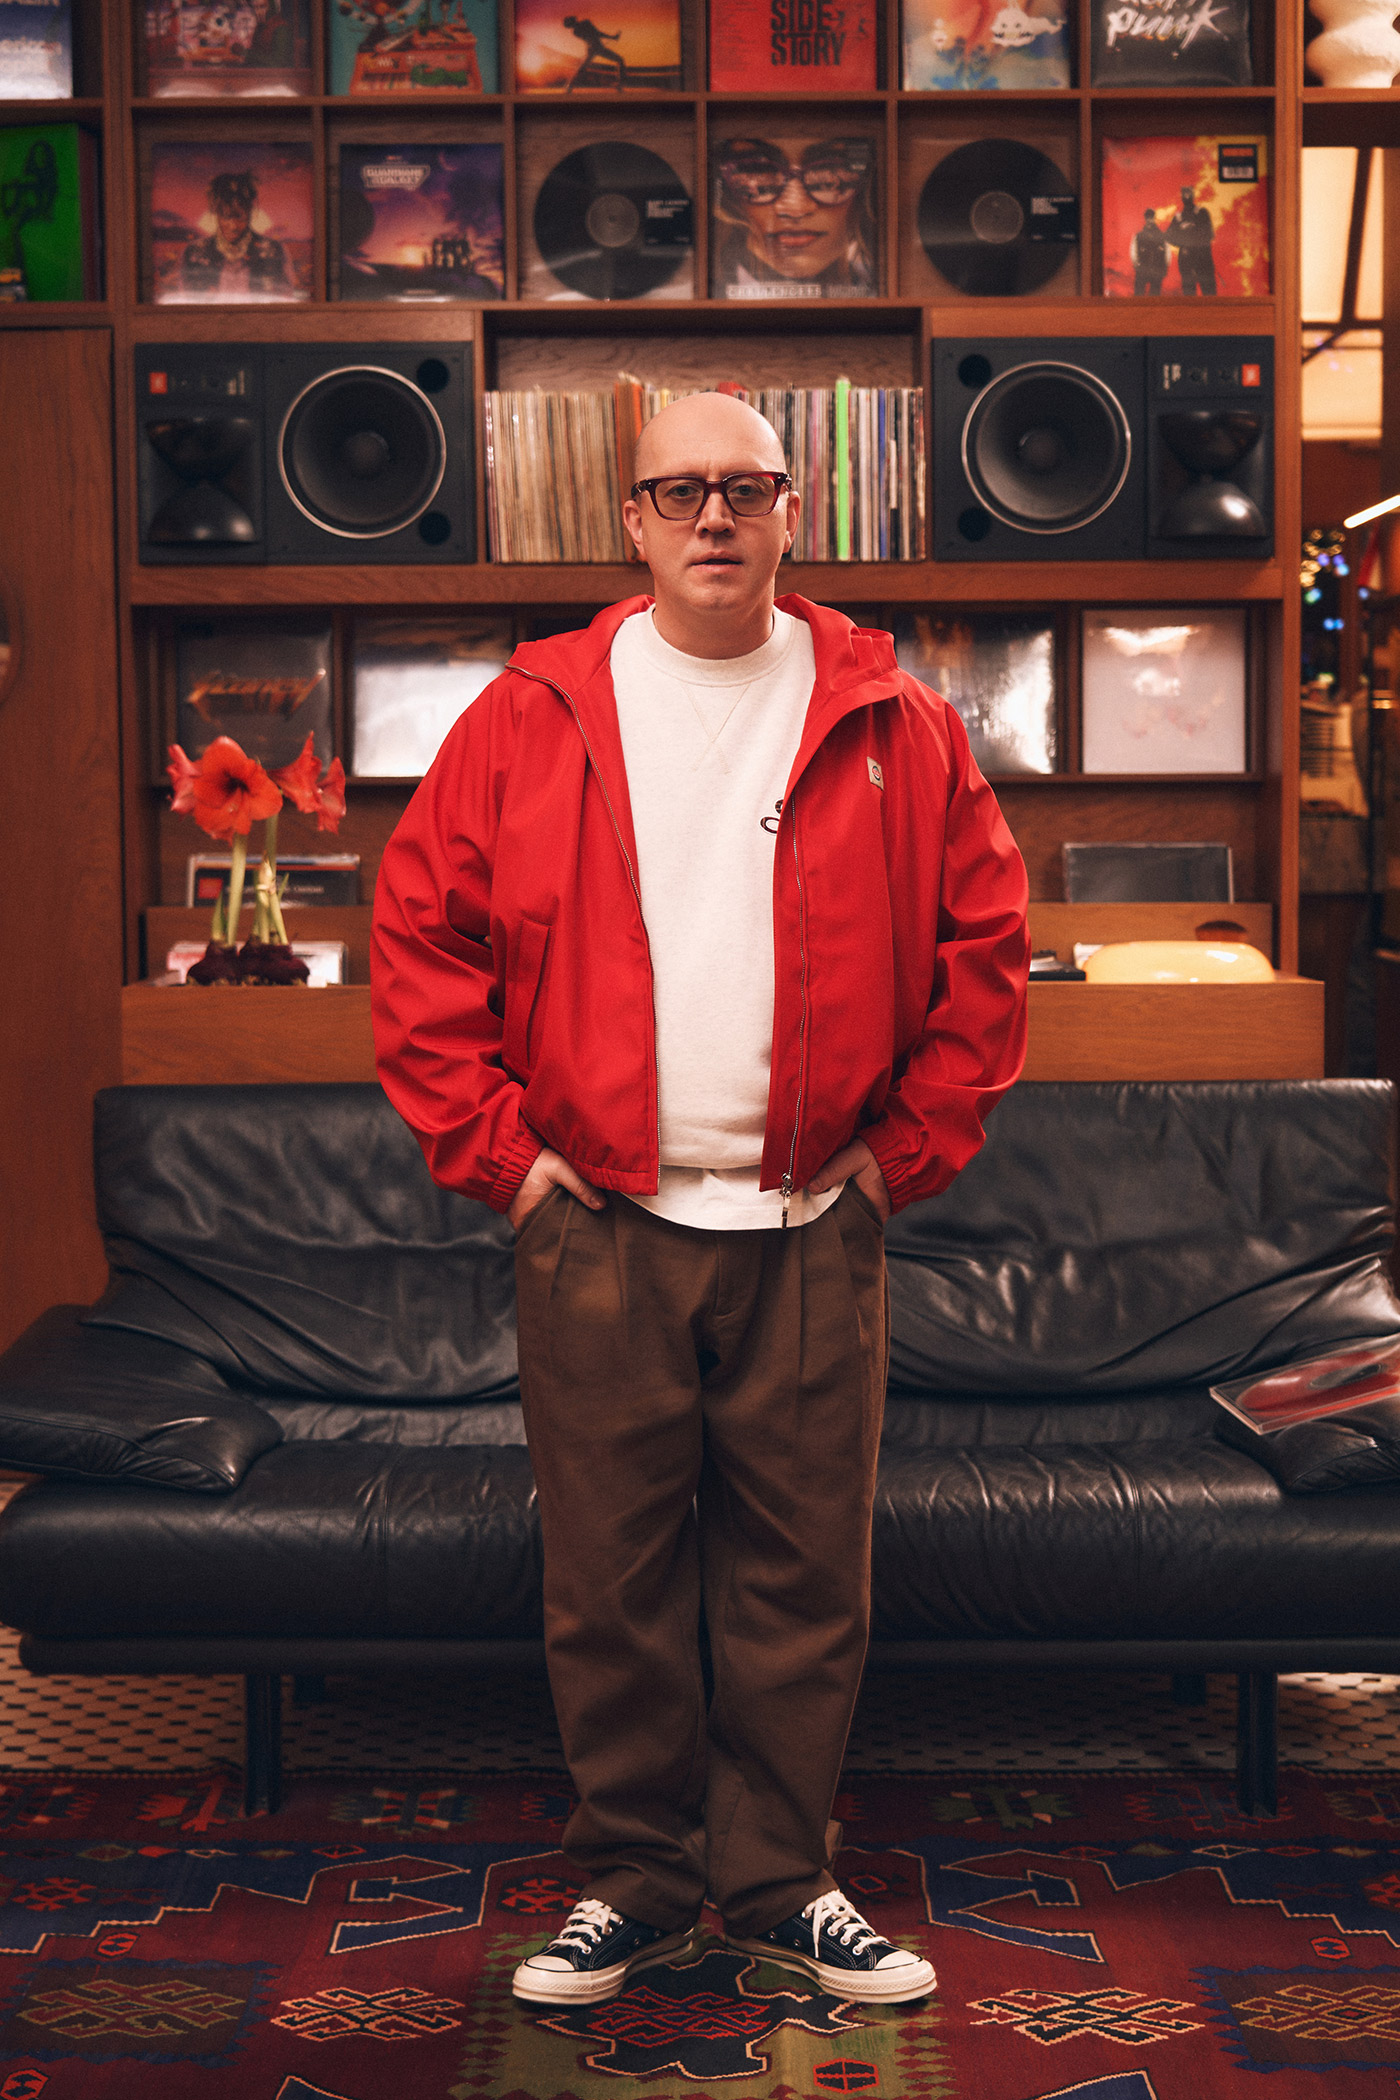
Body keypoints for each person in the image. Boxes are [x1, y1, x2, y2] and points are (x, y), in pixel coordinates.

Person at [372, 391, 1029, 2010]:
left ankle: (784, 1881)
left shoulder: (897, 719)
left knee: (804, 1584)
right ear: (635, 521)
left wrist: (900, 1158)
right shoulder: (531, 713)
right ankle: (631, 1882)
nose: (715, 517)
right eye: (680, 491)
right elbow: (419, 942)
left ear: (795, 508)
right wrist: (510, 1165)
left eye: (746, 487)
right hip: (593, 1222)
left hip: (814, 1226)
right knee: (611, 1586)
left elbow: (987, 956)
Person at [712, 136, 876, 296]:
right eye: (756, 170)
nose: (795, 209)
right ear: (725, 195)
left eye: (830, 169)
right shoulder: (715, 289)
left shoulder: (871, 286)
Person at [180, 170, 287, 297]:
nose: (233, 226)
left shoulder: (272, 251)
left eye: (240, 217)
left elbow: (283, 298)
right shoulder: (195, 253)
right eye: (226, 217)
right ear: (216, 214)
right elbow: (187, 299)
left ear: (249, 213)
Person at [1166, 184, 1216, 296]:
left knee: (1209, 295)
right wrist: (1183, 243)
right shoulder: (1178, 217)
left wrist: (1192, 233)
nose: (1187, 196)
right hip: (1186, 261)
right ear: (1182, 197)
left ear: (1193, 195)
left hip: (1203, 260)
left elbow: (1210, 234)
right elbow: (1168, 236)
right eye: (1184, 194)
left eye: (1189, 193)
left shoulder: (1202, 213)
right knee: (1189, 296)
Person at [563, 14, 627, 87]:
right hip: (597, 48)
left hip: (592, 49)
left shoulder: (576, 32)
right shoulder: (585, 24)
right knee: (620, 60)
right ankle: (620, 83)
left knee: (583, 67)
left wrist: (612, 37)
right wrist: (612, 37)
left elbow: (596, 34)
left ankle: (570, 84)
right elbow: (597, 33)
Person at [1131, 206, 1167, 295]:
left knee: (1155, 296)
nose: (1150, 220)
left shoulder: (1162, 236)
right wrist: (1137, 265)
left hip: (1157, 270)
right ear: (1145, 219)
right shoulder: (1138, 236)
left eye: (1151, 218)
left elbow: (1167, 254)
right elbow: (1133, 252)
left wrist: (1164, 267)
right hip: (1142, 270)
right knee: (1139, 295)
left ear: (1154, 218)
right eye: (1148, 218)